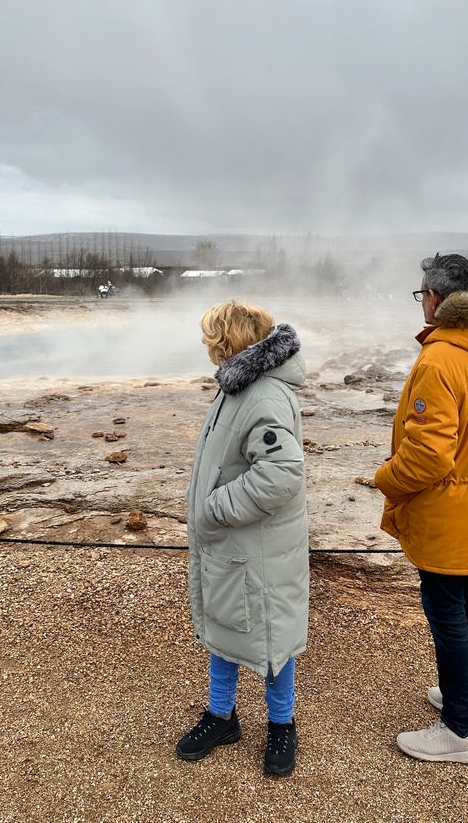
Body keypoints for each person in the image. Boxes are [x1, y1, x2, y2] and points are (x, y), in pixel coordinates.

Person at [374, 253, 468, 764]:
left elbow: (429, 456)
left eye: (422, 294)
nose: (422, 303)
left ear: (437, 298)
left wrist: (384, 479)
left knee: (448, 615)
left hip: (448, 508)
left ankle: (460, 731)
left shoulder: (440, 358)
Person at [176, 300, 308, 776]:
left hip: (258, 548)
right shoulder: (240, 386)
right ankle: (221, 716)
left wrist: (214, 507)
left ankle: (282, 724)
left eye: (211, 338)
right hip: (237, 546)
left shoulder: (263, 396)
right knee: (225, 623)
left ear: (227, 341)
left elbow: (282, 473)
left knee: (272, 632)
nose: (207, 346)